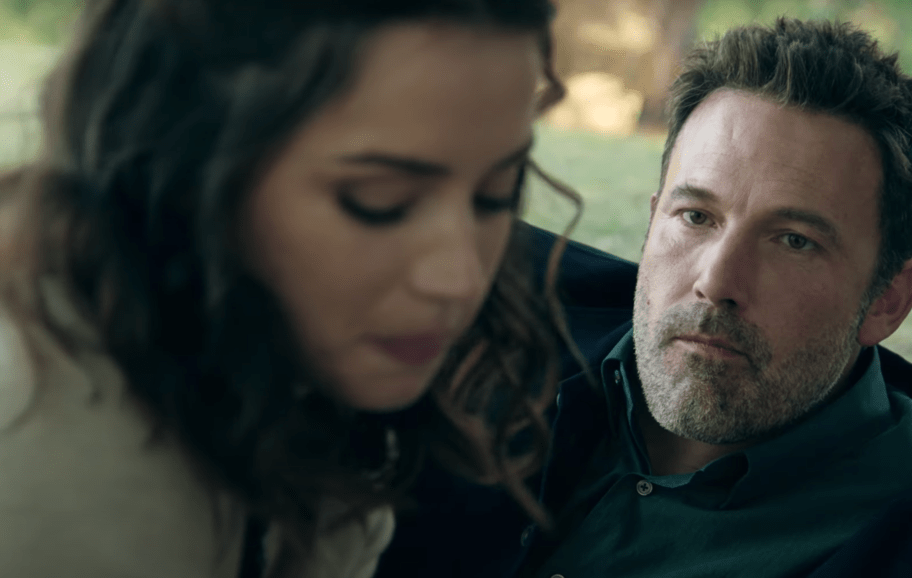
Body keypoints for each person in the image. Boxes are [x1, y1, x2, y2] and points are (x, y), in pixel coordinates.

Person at [376, 18, 912, 578]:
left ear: (887, 301)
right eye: (696, 217)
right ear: (653, 217)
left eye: (793, 241)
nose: (717, 282)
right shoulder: (472, 311)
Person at [0, 1, 580, 577]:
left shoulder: (303, 386)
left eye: (497, 195)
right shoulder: (64, 466)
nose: (460, 280)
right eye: (378, 201)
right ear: (185, 171)